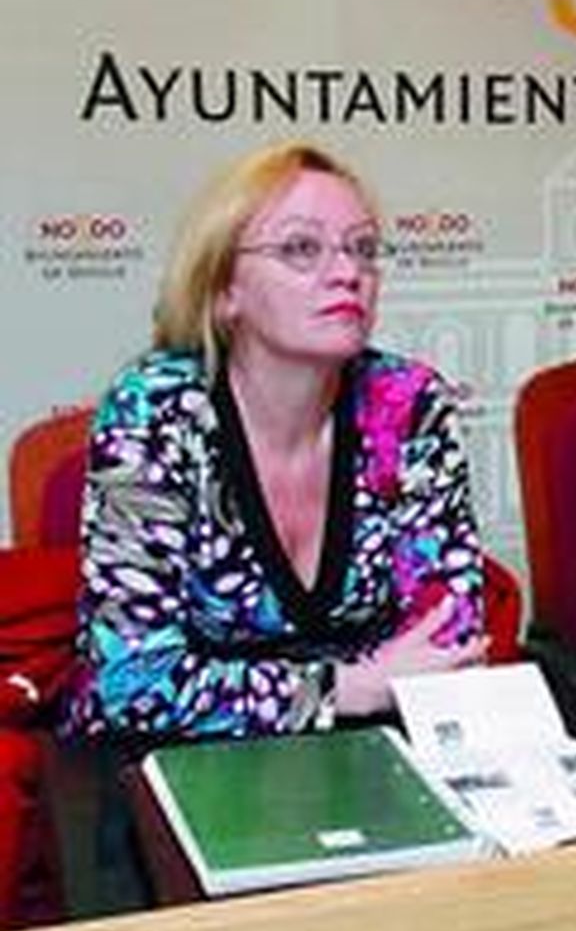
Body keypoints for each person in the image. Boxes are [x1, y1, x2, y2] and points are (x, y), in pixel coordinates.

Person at [63, 142, 488, 741]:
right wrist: (345, 688)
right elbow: (130, 684)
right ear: (223, 290)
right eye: (300, 248)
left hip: (370, 751)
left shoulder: (409, 404)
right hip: (175, 761)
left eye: (363, 249)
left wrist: (359, 695)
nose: (348, 273)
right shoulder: (155, 410)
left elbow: (446, 644)